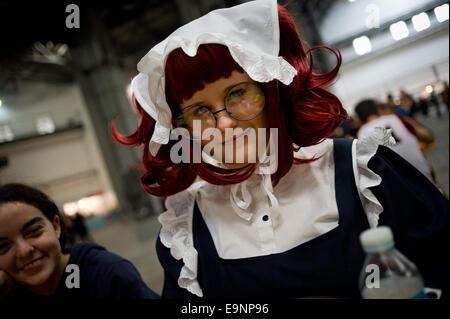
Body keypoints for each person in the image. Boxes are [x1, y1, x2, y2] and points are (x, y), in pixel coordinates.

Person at [113, 0, 448, 299]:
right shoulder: (185, 232)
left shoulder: (364, 174)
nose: (224, 124)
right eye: (199, 111)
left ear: (272, 89)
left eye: (238, 94)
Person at [0, 183, 160, 299]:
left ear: (56, 226)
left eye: (34, 231)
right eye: (3, 246)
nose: (24, 251)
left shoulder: (106, 274)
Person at [354, 99, 436, 184]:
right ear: (378, 110)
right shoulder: (398, 118)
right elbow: (428, 137)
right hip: (425, 176)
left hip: (398, 187)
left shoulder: (361, 134)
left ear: (359, 118)